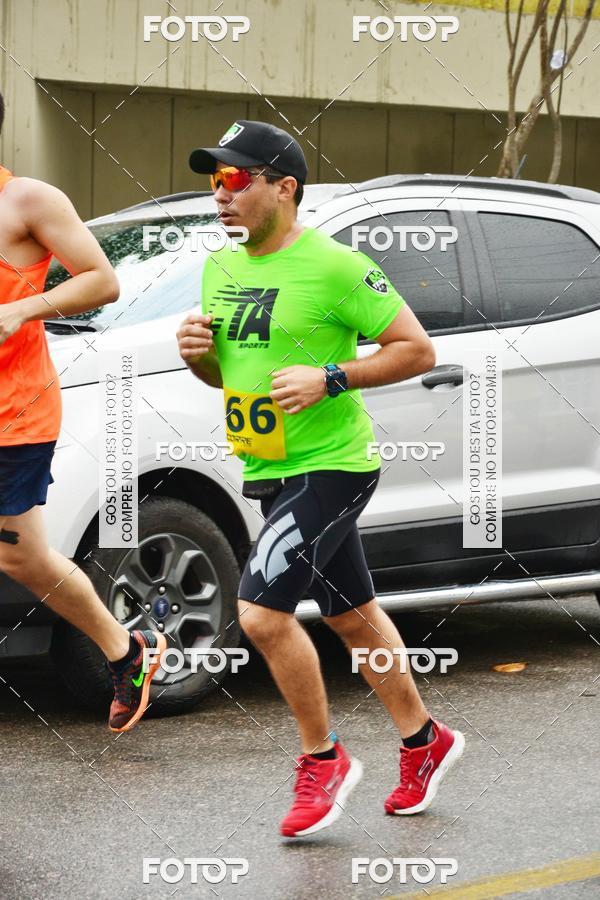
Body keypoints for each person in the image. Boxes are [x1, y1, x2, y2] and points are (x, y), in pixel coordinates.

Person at [178, 119, 464, 837]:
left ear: (284, 187)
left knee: (261, 614)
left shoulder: (336, 266)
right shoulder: (222, 267)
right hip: (268, 463)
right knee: (350, 615)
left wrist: (331, 376)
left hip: (333, 466)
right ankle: (424, 739)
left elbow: (416, 349)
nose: (221, 194)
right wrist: (196, 357)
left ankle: (324, 759)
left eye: (235, 179)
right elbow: (226, 374)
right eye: (214, 180)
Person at [0, 90, 165, 732]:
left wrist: (22, 309)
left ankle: (127, 650)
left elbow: (101, 279)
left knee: (21, 556)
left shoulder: (29, 201)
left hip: (15, 412)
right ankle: (129, 651)